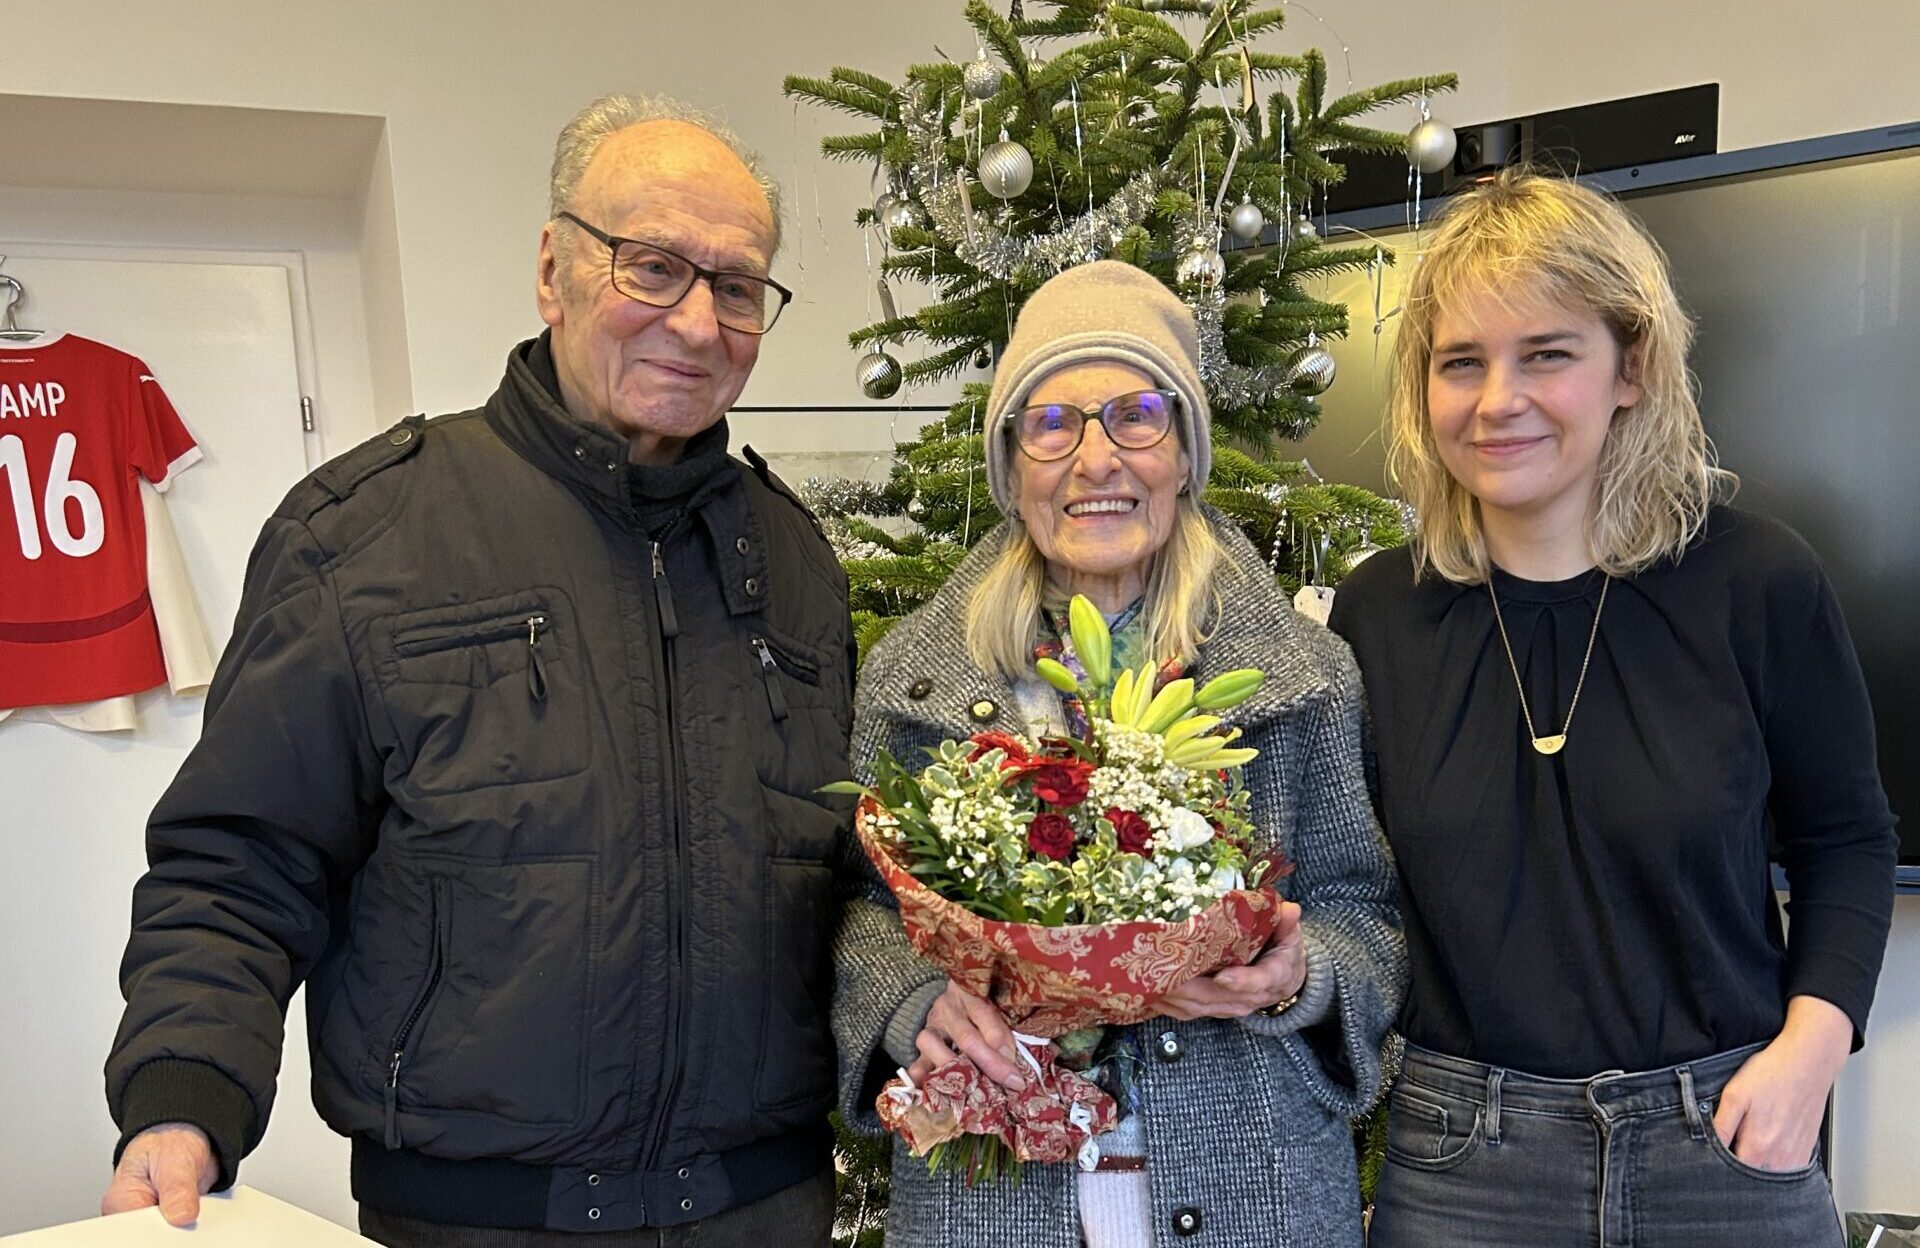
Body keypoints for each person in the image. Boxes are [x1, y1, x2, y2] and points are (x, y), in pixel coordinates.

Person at [100, 94, 854, 1246]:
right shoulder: (365, 535)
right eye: (652, 266)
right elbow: (241, 865)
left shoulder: (796, 561)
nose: (698, 324)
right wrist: (182, 1100)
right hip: (472, 1221)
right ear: (555, 271)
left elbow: (848, 876)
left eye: (737, 286)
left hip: (770, 1211)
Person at [1329, 168, 1899, 1247]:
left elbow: (1849, 840)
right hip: (1463, 1169)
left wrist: (1810, 1056)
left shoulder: (1758, 581)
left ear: (1631, 365)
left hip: (1727, 1143)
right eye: (1462, 363)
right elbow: (1344, 887)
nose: (1499, 401)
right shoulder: (1378, 612)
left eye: (1548, 353)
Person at [835, 261, 1405, 1248]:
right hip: (996, 1197)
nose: (1096, 459)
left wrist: (1299, 972)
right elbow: (865, 912)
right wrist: (913, 1002)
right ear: (1013, 469)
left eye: (1137, 415)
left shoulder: (1304, 678)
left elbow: (1371, 918)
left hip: (1251, 1193)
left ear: (1184, 454)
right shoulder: (910, 682)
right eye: (1053, 424)